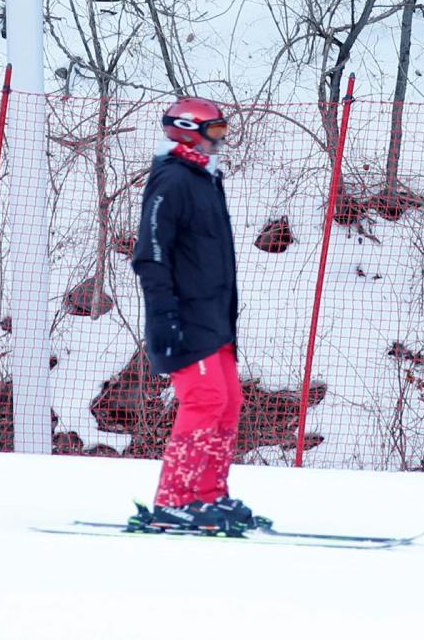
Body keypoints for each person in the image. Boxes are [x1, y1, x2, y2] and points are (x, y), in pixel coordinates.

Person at [128, 95, 270, 534]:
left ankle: (209, 496)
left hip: (215, 318)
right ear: (189, 131)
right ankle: (174, 499)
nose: (219, 142)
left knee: (227, 403)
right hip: (185, 319)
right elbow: (150, 256)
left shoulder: (206, 179)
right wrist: (165, 319)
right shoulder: (171, 180)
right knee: (205, 401)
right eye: (215, 132)